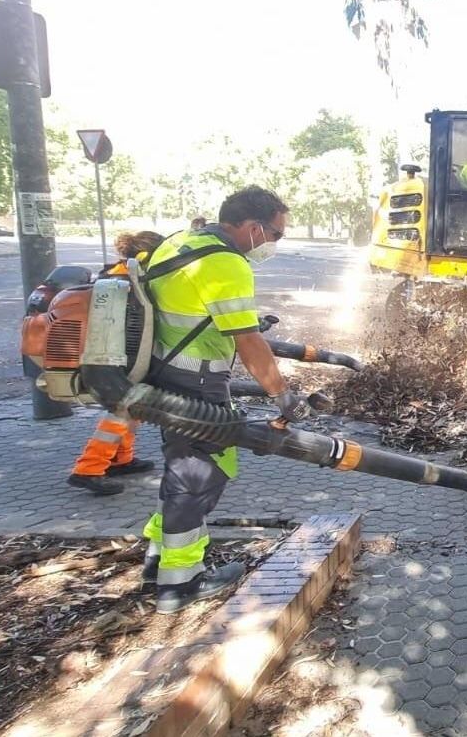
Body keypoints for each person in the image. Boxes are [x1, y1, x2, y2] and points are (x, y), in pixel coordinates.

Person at [140, 186, 306, 613]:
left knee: (183, 468)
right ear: (252, 227)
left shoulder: (182, 241)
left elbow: (196, 309)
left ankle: (158, 559)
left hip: (165, 372)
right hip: (196, 381)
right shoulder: (226, 262)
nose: (274, 243)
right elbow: (247, 343)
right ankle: (180, 584)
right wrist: (281, 393)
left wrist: (247, 322)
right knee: (200, 475)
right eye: (275, 234)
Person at [66, 230, 167, 496]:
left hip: (114, 355)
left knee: (132, 407)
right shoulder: (127, 279)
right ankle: (88, 469)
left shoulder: (119, 273)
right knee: (123, 408)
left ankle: (121, 459)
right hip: (113, 357)